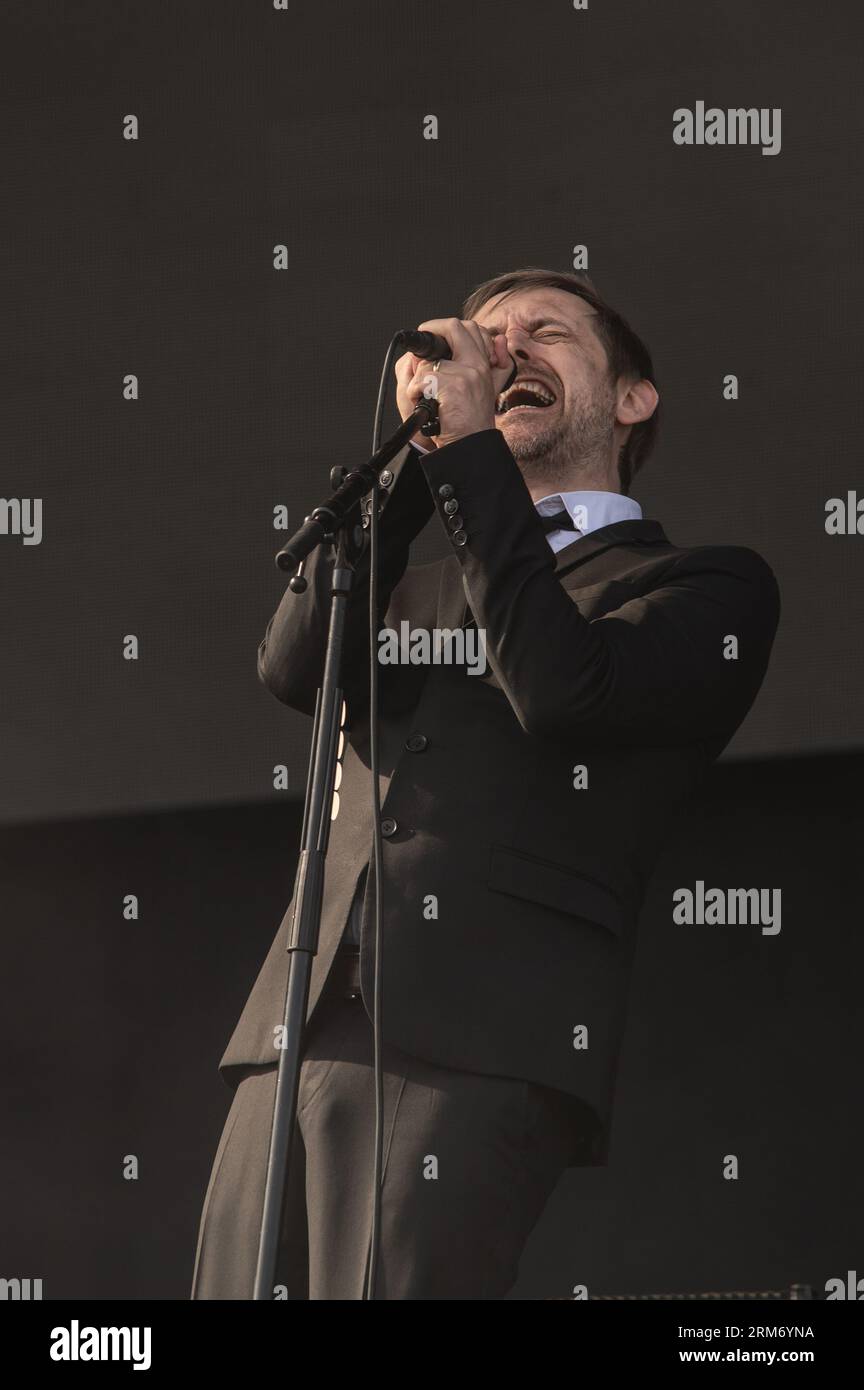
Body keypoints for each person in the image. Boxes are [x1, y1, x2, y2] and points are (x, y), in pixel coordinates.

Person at [191, 267, 780, 1300]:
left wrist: (472, 464)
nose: (504, 357)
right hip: (300, 1013)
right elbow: (290, 668)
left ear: (632, 398)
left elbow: (563, 693)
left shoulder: (702, 584)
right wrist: (421, 463)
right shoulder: (407, 579)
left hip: (476, 1027)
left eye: (543, 336)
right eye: (488, 343)